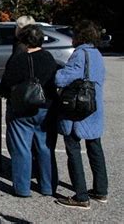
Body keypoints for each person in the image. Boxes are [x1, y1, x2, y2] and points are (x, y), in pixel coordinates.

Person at [0, 24, 58, 197]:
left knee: (21, 149)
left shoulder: (17, 59)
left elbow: (6, 84)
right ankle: (48, 186)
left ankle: (22, 188)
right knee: (46, 147)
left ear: (23, 40)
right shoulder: (49, 58)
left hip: (22, 109)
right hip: (46, 108)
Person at [55, 20, 108, 209]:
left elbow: (61, 78)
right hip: (94, 107)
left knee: (73, 149)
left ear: (80, 36)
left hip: (78, 110)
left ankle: (81, 195)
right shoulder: (96, 54)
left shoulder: (79, 54)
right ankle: (101, 190)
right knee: (95, 148)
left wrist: (58, 70)